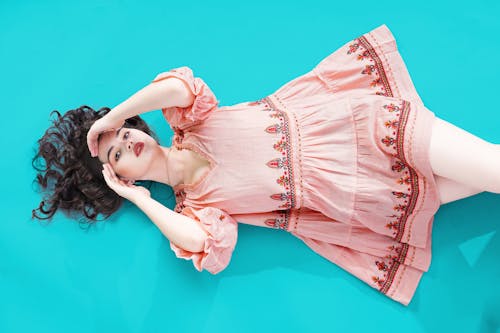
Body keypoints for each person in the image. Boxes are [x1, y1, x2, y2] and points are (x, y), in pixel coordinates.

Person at [32, 24, 497, 306]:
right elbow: (198, 242)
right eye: (115, 154)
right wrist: (134, 198)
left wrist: (109, 116)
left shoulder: (192, 121)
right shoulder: (195, 210)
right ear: (121, 176)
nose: (128, 141)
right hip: (367, 197)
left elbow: (176, 86)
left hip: (362, 128)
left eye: (126, 131)